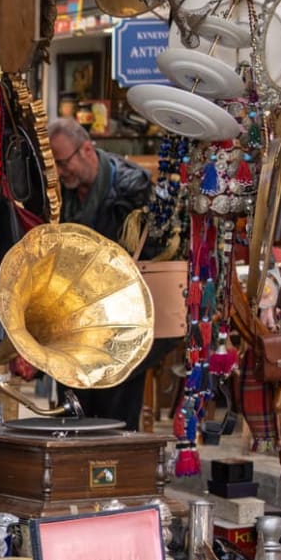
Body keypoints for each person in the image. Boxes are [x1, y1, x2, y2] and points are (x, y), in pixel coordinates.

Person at [42, 117, 171, 428]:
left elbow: (147, 254)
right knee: (74, 411)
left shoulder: (134, 187)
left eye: (63, 162)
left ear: (87, 149)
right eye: (54, 166)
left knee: (115, 414)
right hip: (73, 324)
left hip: (121, 324)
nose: (59, 172)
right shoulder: (61, 191)